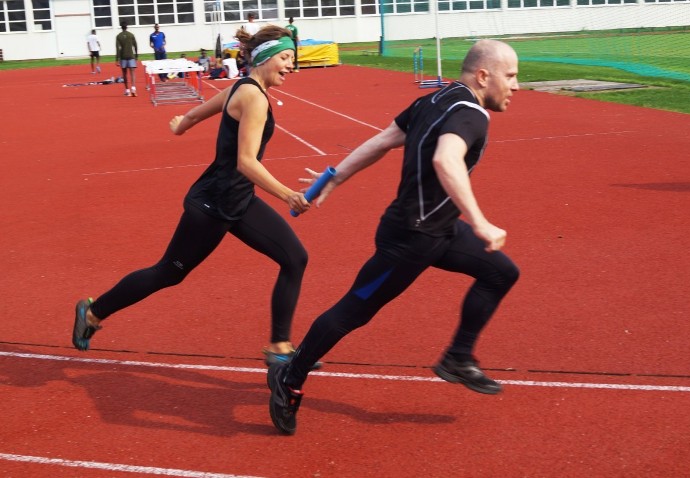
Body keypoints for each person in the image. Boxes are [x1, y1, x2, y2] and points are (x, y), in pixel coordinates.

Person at [267, 39, 521, 435]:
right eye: (510, 76)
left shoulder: (435, 100)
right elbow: (445, 159)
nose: (516, 86)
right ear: (483, 76)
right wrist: (481, 221)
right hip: (410, 239)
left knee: (501, 273)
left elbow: (382, 140)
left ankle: (458, 357)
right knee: (354, 311)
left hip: (439, 230)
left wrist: (333, 180)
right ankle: (290, 376)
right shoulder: (472, 113)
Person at [73, 26, 315, 371]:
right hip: (213, 204)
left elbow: (203, 110)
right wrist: (288, 195)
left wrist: (181, 125)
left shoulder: (242, 88)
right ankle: (93, 312)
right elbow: (245, 162)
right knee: (168, 273)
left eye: (292, 58)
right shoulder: (254, 97)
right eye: (286, 57)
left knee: (294, 258)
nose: (291, 66)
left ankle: (279, 345)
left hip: (238, 200)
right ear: (264, 57)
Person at [115, 21, 138, 97]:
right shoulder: (131, 35)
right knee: (132, 72)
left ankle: (127, 90)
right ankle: (133, 88)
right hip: (131, 55)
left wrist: (117, 59)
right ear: (127, 27)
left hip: (123, 56)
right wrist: (136, 55)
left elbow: (118, 48)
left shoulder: (119, 36)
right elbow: (135, 45)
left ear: (121, 27)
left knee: (124, 73)